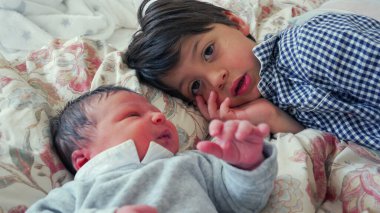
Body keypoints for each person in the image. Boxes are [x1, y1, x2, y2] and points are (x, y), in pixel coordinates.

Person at [124, 0, 380, 151]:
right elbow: (349, 143)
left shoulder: (306, 48)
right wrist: (273, 118)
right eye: (195, 86)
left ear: (235, 22)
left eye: (209, 51)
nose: (216, 80)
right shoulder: (276, 101)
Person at [26, 85, 277, 213]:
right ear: (82, 159)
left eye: (156, 112)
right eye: (132, 115)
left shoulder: (195, 163)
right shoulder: (77, 192)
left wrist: (246, 165)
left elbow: (243, 203)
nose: (159, 117)